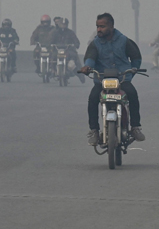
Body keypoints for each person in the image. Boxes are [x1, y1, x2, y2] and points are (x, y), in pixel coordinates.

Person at [80, 13, 145, 146]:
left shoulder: (124, 40)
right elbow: (90, 58)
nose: (99, 29)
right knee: (93, 98)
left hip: (122, 80)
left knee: (132, 94)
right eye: (97, 26)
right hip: (102, 80)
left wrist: (132, 71)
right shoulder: (95, 43)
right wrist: (87, 67)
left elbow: (136, 57)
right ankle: (94, 130)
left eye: (102, 26)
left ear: (111, 26)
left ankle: (135, 127)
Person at [50, 18, 85, 83]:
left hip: (68, 50)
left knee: (73, 62)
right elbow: (51, 40)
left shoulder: (70, 32)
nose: (63, 26)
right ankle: (53, 71)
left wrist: (76, 44)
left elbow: (76, 41)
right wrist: (50, 44)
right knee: (52, 57)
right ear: (59, 24)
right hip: (58, 50)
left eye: (64, 24)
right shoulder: (55, 32)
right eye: (62, 24)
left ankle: (80, 75)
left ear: (67, 25)